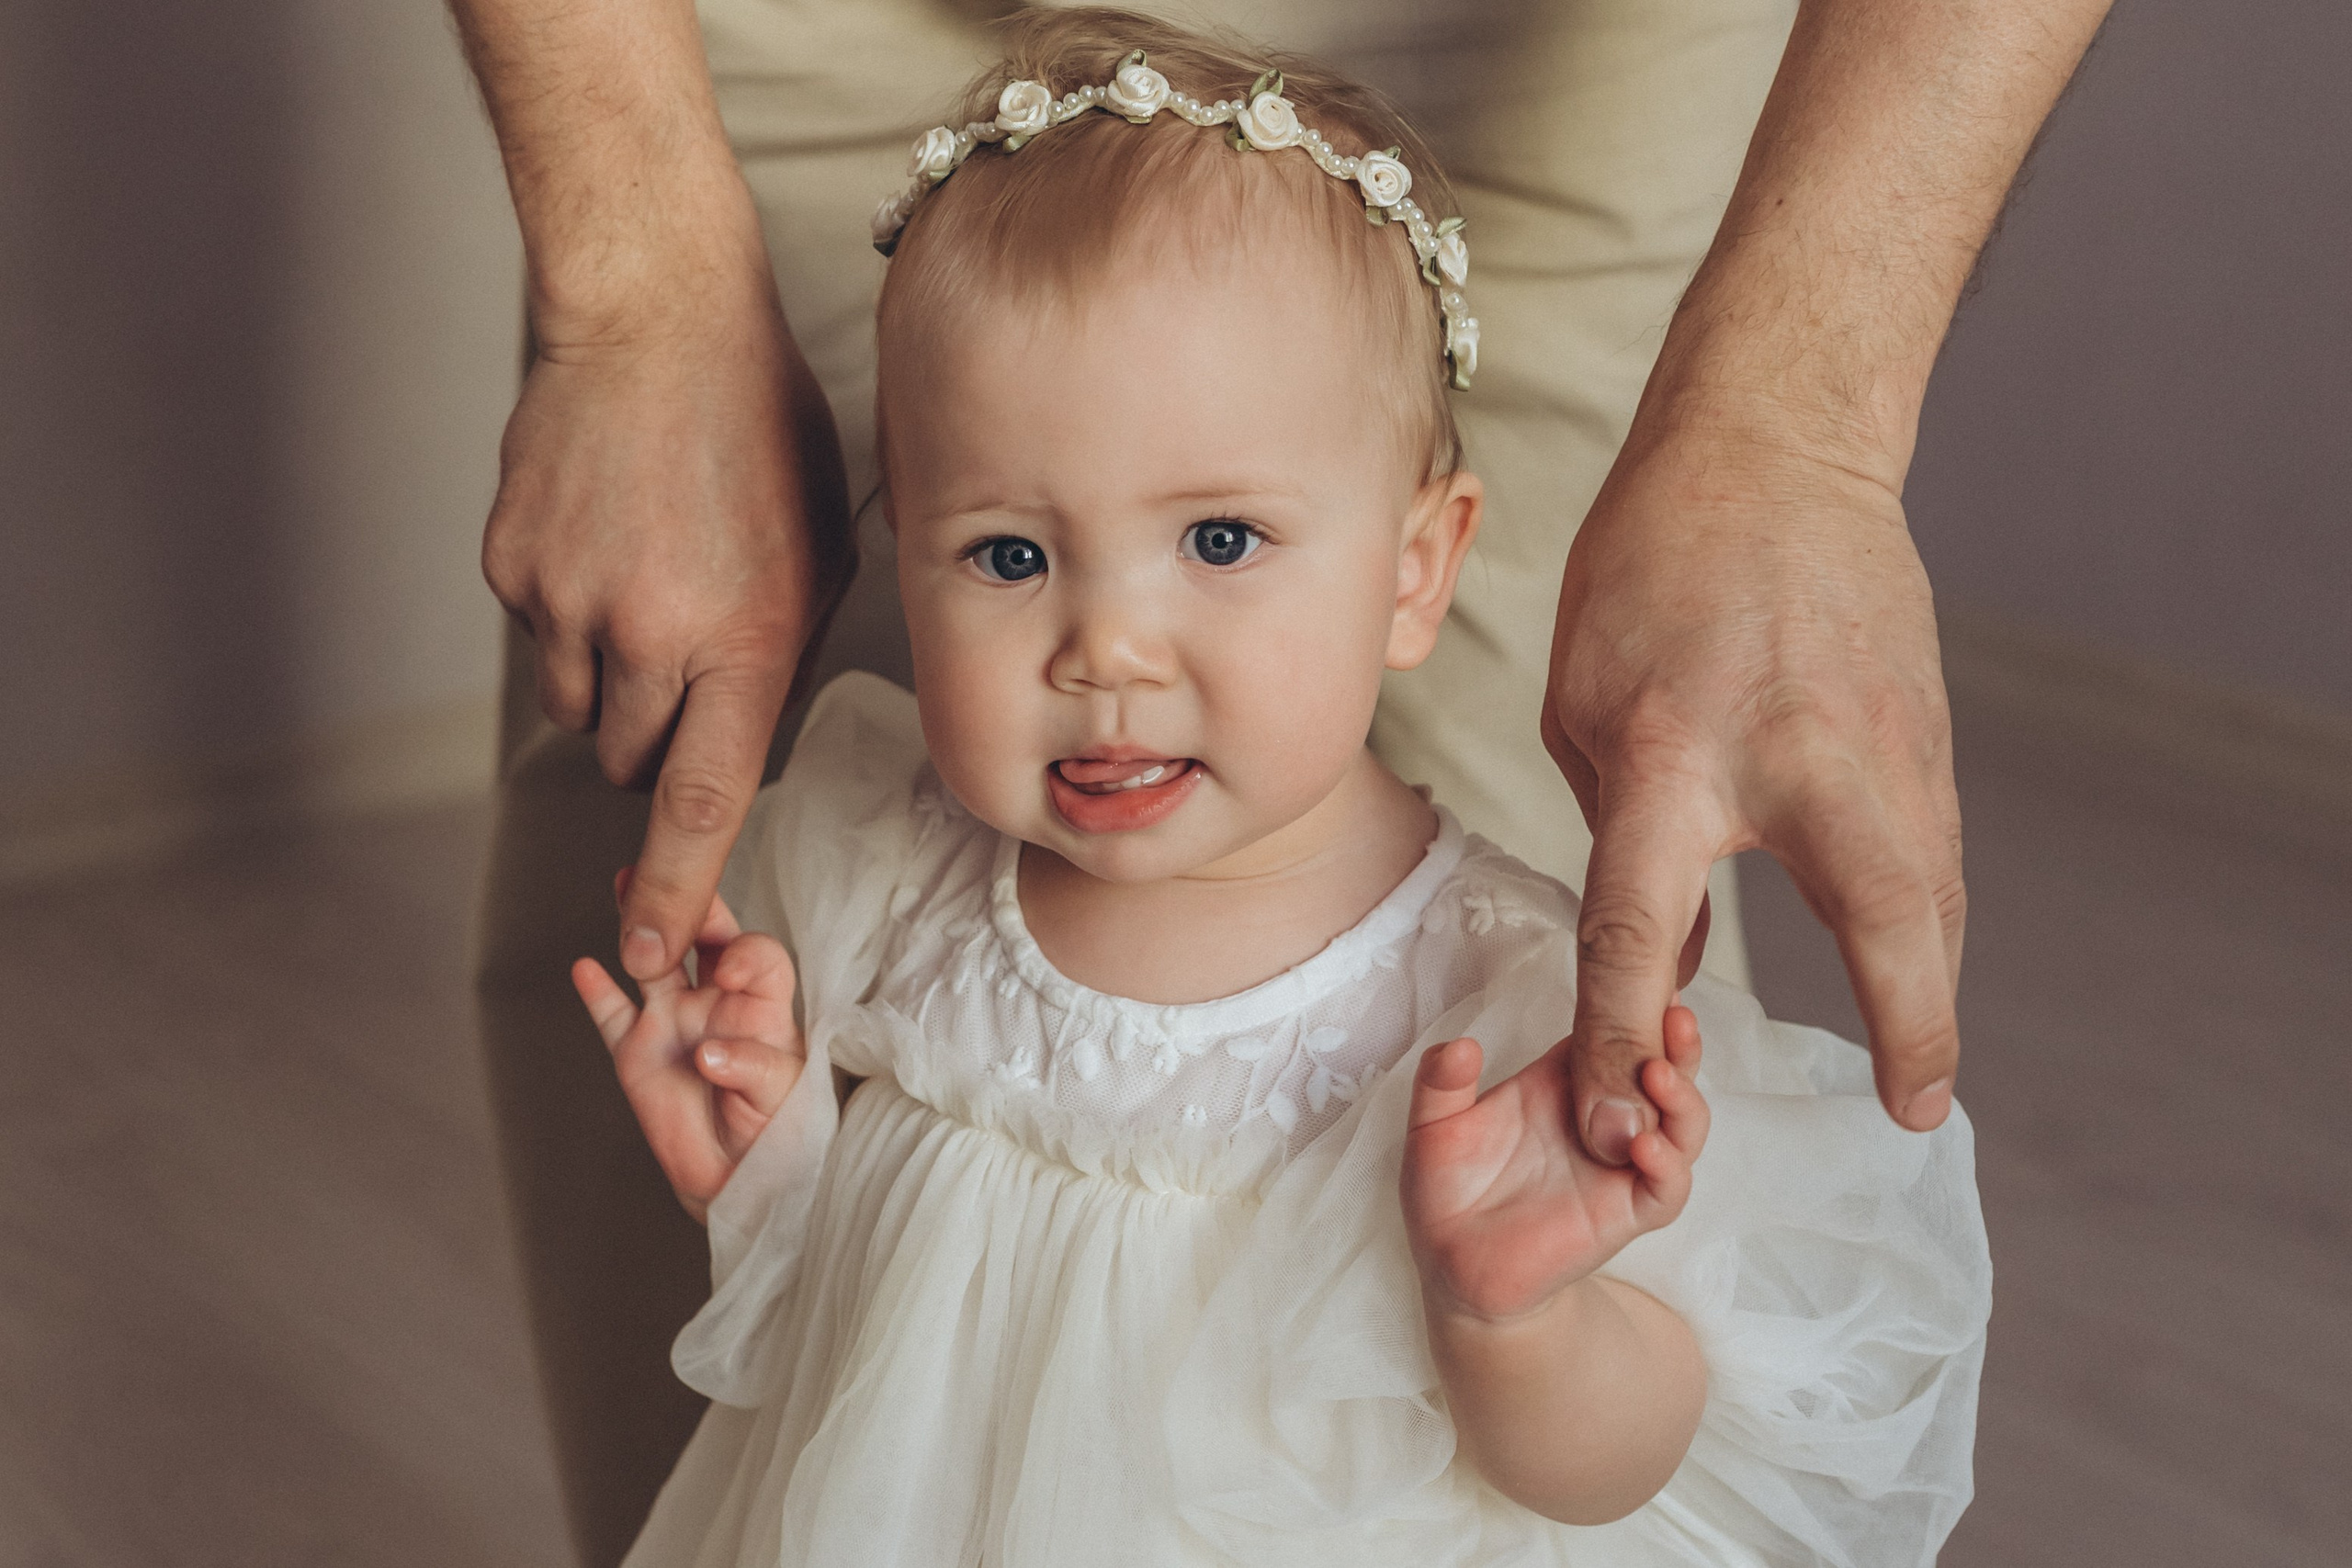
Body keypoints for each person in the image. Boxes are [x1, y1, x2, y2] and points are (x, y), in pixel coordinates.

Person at [451, 0, 2105, 1557]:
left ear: (1416, 568)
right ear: (902, 534)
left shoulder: (1495, 994)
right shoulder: (893, 873)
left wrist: (1510, 1314)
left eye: (1221, 540)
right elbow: (904, 1341)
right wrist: (781, 1167)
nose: (1108, 650)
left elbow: (1616, 1478)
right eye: (1010, 553)